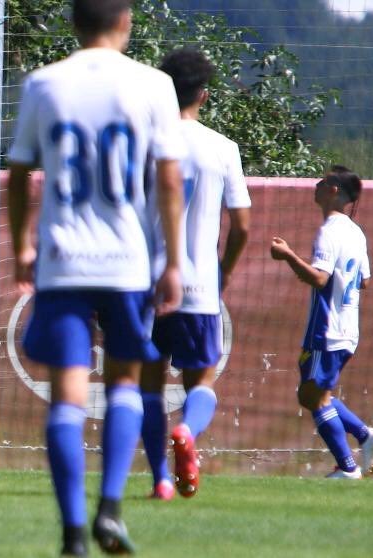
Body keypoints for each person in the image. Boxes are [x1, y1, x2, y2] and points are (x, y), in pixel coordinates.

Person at [7, 1, 184, 555]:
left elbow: (18, 173)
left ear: (74, 23)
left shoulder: (43, 83)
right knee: (126, 383)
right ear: (126, 21)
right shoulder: (154, 84)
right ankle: (111, 509)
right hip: (127, 262)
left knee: (67, 397)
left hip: (63, 262)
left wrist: (21, 246)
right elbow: (170, 181)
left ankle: (72, 533)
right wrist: (174, 261)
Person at [139, 48, 251, 500]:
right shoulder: (222, 148)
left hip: (147, 286)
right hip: (200, 287)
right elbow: (243, 225)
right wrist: (223, 271)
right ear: (204, 94)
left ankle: (160, 480)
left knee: (147, 386)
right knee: (200, 382)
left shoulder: (145, 144)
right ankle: (187, 429)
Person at [271, 165, 373, 479]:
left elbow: (320, 278)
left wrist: (288, 255)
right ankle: (367, 437)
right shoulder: (356, 232)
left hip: (326, 328)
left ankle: (348, 466)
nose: (316, 185)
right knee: (317, 394)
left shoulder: (329, 231)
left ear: (333, 189)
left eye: (321, 181)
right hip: (349, 328)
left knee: (310, 396)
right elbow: (365, 282)